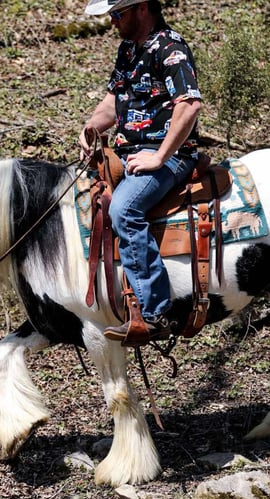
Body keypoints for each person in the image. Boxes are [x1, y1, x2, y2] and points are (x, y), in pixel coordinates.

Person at [79, 0, 202, 342]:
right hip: (130, 154)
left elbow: (189, 105)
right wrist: (91, 127)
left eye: (118, 14)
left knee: (124, 209)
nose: (113, 21)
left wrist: (159, 157)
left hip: (172, 155)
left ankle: (155, 313)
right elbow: (113, 102)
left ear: (142, 8)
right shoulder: (128, 50)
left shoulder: (170, 48)